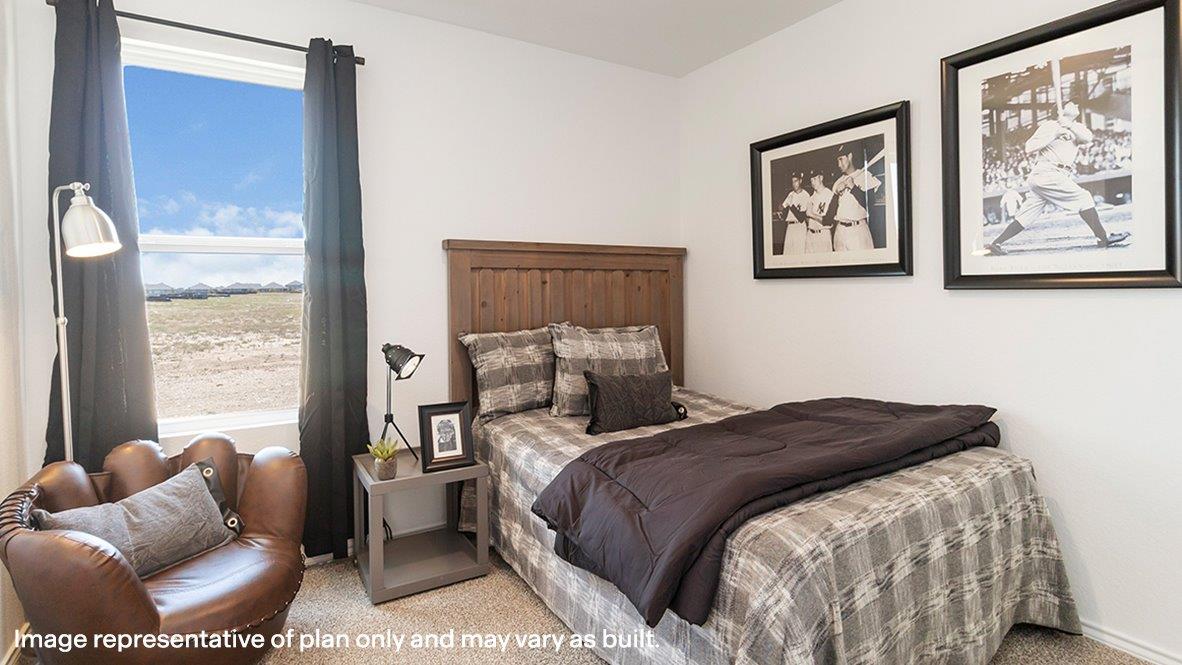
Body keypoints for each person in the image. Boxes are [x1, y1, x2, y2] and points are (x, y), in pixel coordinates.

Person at [986, 102, 1130, 255]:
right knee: (1084, 197)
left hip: (1054, 175)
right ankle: (1103, 238)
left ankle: (996, 243)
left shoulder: (1077, 127)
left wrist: (1068, 125)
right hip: (1047, 171)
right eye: (1070, 103)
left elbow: (1088, 138)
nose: (1075, 104)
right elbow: (1029, 147)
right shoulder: (1050, 125)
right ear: (1059, 111)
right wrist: (1054, 134)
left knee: (1027, 215)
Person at [830, 145, 880, 251]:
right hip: (839, 230)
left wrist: (853, 187)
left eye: (841, 159)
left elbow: (870, 204)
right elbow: (830, 212)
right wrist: (836, 194)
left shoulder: (865, 176)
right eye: (837, 161)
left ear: (850, 156)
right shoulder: (838, 182)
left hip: (858, 230)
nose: (839, 164)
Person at [779, 173, 811, 255]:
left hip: (799, 227)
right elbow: (781, 207)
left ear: (800, 181)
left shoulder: (805, 195)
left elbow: (801, 218)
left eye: (796, 181)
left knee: (799, 252)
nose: (794, 184)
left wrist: (791, 205)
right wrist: (781, 208)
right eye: (792, 182)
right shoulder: (791, 194)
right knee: (787, 253)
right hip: (790, 227)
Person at [805, 172, 834, 253]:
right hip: (810, 234)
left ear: (821, 178)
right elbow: (807, 218)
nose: (812, 182)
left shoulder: (830, 195)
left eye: (814, 179)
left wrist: (812, 215)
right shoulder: (811, 197)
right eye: (811, 180)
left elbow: (828, 221)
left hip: (823, 235)